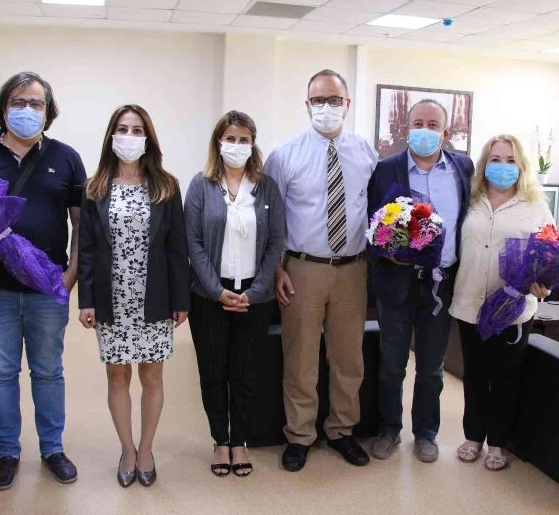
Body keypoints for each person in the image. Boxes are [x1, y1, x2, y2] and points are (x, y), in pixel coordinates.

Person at [0, 71, 86, 490]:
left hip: (48, 287)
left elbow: (80, 223)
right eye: (19, 102)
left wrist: (71, 275)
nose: (28, 110)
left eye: (36, 103)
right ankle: (7, 453)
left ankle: (52, 449)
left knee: (48, 371)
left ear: (49, 111)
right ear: (3, 108)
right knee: (1, 372)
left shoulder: (66, 158)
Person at [264, 69, 379, 472]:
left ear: (348, 104)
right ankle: (300, 435)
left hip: (352, 269)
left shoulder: (365, 153)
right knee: (300, 359)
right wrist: (277, 269)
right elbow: (271, 219)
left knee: (349, 359)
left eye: (334, 100)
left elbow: (375, 211)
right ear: (307, 104)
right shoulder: (284, 156)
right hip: (302, 270)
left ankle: (342, 431)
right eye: (318, 100)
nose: (326, 107)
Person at [77, 104, 190, 488]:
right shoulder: (95, 187)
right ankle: (127, 449)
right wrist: (86, 300)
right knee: (117, 377)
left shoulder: (166, 186)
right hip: (112, 298)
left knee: (152, 377)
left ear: (148, 138)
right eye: (122, 129)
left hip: (154, 297)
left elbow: (177, 249)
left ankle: (146, 449)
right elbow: (87, 249)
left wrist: (181, 301)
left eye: (137, 130)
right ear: (112, 136)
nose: (129, 136)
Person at [368, 99, 474, 463]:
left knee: (431, 367)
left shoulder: (463, 168)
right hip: (396, 280)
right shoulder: (385, 169)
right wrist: (387, 252)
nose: (424, 130)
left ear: (445, 132)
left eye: (432, 125)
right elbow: (373, 223)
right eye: (417, 123)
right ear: (406, 129)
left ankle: (426, 433)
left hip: (441, 284)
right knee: (392, 364)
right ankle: (388, 429)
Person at [185, 110, 285, 478]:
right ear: (218, 142)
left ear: (253, 145)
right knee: (213, 372)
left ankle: (240, 440)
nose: (237, 145)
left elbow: (275, 242)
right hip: (209, 295)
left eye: (244, 139)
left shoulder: (266, 187)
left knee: (245, 372)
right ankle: (220, 441)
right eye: (231, 138)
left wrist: (257, 291)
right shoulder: (201, 185)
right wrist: (215, 290)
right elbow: (193, 242)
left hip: (254, 297)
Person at [449, 134, 552, 471]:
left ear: (521, 166)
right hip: (470, 304)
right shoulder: (470, 200)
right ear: (484, 164)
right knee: (475, 375)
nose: (502, 166)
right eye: (495, 159)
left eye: (510, 161)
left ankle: (497, 443)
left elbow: (551, 252)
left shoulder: (535, 205)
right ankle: (473, 437)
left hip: (513, 309)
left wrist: (545, 284)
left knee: (506, 378)